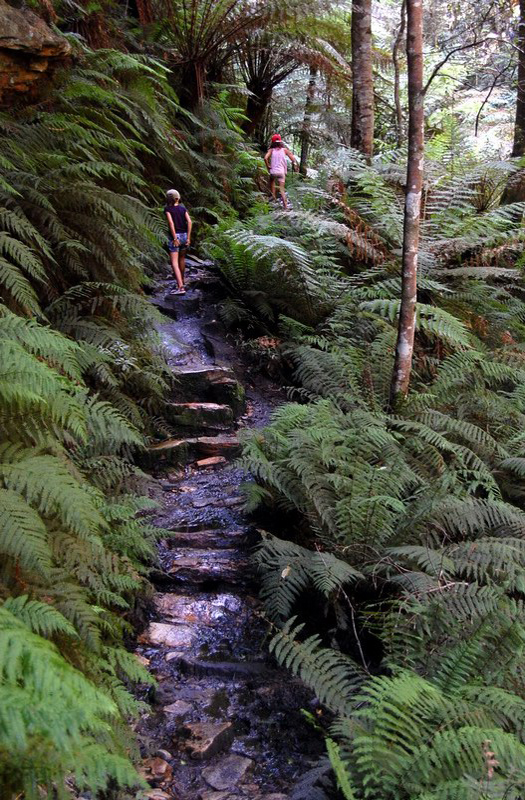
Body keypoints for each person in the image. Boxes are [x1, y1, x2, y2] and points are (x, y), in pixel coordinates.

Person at [165, 189, 192, 295]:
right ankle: (182, 282)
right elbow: (189, 222)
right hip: (185, 236)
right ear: (178, 198)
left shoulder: (168, 209)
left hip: (175, 237)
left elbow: (171, 223)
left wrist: (175, 238)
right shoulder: (183, 208)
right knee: (182, 258)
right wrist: (188, 238)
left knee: (174, 263)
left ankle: (180, 288)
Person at [264, 134, 298, 210]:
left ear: (272, 142)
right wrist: (294, 165)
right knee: (281, 189)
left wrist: (268, 166)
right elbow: (293, 159)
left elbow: (265, 158)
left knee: (272, 182)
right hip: (281, 173)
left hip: (273, 172)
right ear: (280, 141)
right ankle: (285, 207)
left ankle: (273, 201)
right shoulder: (285, 150)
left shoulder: (271, 150)